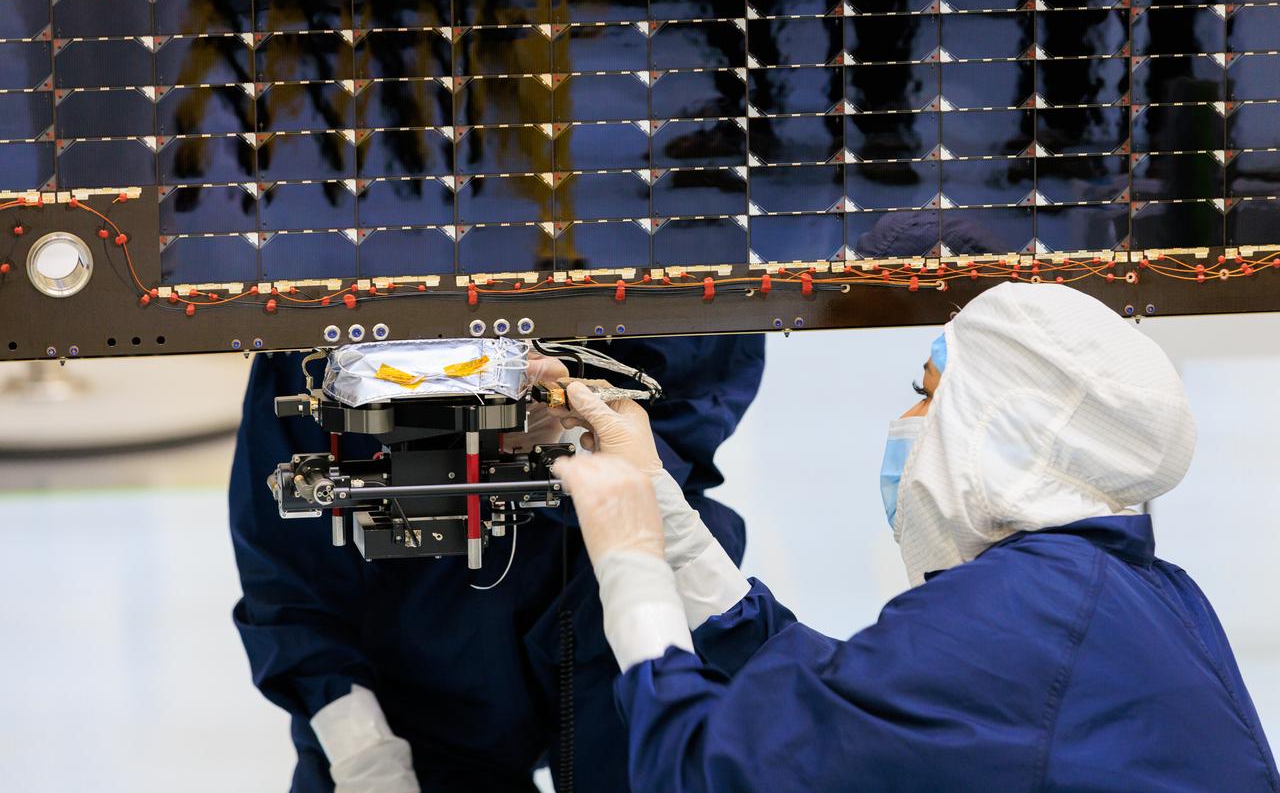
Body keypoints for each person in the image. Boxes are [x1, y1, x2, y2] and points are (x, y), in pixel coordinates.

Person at [553, 282, 1280, 792]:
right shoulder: (1120, 592)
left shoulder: (1022, 611)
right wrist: (667, 512)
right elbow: (859, 702)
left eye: (927, 391)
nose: (905, 418)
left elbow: (707, 770)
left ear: (1001, 425)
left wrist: (631, 567)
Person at [228, 336, 765, 792]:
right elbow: (288, 579)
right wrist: (363, 754)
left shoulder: (660, 263)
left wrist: (583, 450)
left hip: (614, 641)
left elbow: (688, 407)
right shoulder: (324, 328)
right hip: (408, 680)